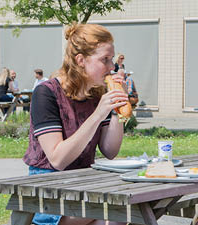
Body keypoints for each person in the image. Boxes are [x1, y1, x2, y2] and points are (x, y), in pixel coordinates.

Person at [22, 23, 128, 225]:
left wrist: (117, 109)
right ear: (81, 60)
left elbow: (110, 151)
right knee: (119, 212)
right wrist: (98, 114)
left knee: (118, 218)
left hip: (85, 187)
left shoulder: (97, 94)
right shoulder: (46, 93)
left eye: (112, 59)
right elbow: (58, 159)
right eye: (105, 59)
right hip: (49, 194)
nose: (112, 67)